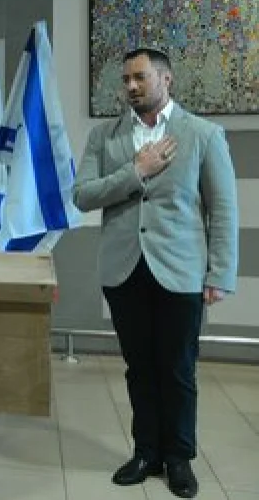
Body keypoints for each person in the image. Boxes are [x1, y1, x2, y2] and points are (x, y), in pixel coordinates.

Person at [73, 47, 237, 499]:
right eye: (125, 79)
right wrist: (135, 171)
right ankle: (146, 451)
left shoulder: (203, 134)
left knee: (178, 369)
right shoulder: (104, 137)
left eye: (140, 77)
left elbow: (222, 209)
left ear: (166, 79)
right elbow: (83, 196)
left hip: (181, 270)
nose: (130, 86)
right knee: (139, 369)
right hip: (124, 270)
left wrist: (220, 273)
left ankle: (179, 456)